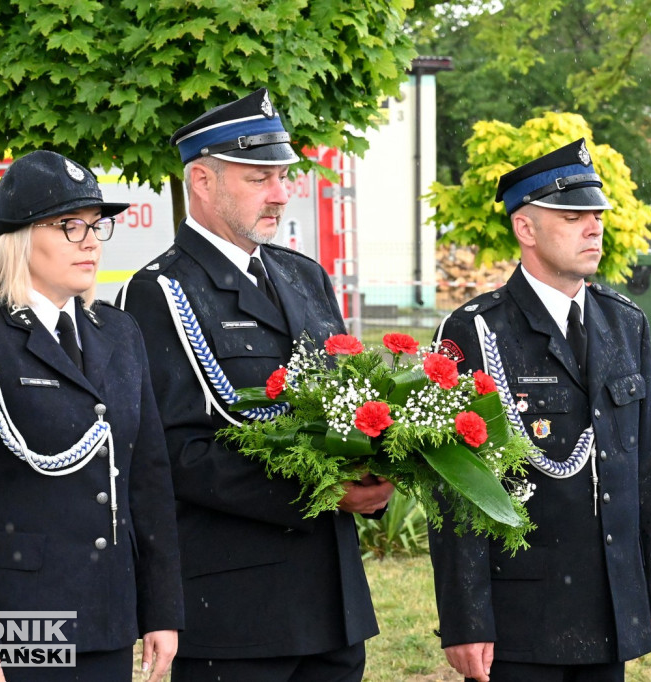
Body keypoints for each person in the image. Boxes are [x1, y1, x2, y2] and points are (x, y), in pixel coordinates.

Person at [118, 88, 394, 682]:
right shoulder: (160, 290)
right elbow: (175, 451)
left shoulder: (305, 275)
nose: (279, 193)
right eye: (258, 177)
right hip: (236, 614)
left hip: (333, 605)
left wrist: (377, 475)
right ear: (201, 180)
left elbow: (347, 410)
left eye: (282, 175)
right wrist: (321, 494)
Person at [0, 150, 183, 681]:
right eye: (68, 226)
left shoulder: (119, 334)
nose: (89, 241)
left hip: (104, 619)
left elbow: (148, 479)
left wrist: (162, 610)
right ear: (19, 238)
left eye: (95, 226)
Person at [428, 138, 651, 682]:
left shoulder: (624, 323)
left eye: (597, 215)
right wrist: (466, 618)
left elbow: (646, 468)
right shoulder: (475, 331)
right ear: (526, 229)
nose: (594, 228)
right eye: (573, 216)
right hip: (522, 617)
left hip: (610, 602)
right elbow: (455, 490)